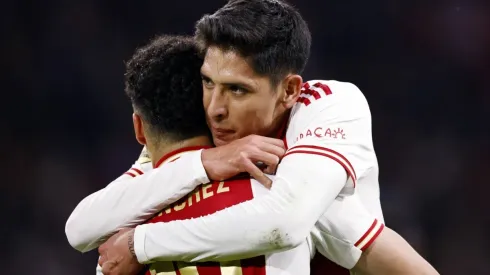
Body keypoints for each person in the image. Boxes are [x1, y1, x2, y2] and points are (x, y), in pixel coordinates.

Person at [67, 1, 439, 274]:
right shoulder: (208, 126)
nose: (215, 107)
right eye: (208, 82)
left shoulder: (328, 106)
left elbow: (284, 223)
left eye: (237, 90)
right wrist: (204, 163)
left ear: (289, 90)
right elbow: (83, 227)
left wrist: (141, 244)